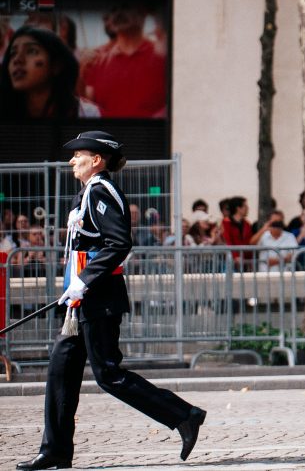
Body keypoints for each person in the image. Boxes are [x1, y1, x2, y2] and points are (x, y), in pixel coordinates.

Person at [16, 131, 205, 471]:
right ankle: (55, 450)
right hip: (81, 302)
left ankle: (184, 415)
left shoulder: (101, 192)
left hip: (99, 298)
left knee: (108, 374)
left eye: (79, 155)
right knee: (61, 369)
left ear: (97, 160)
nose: (72, 160)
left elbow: (118, 243)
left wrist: (84, 282)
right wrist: (72, 285)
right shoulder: (86, 193)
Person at [79, 5, 166, 118]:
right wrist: (79, 73)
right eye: (114, 8)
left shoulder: (163, 57)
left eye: (127, 5)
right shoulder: (96, 62)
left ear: (144, 11)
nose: (119, 12)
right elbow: (88, 104)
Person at [0, 26, 100, 120]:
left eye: (32, 51)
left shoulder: (86, 113)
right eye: (13, 53)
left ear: (56, 65)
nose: (17, 60)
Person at [221, 196, 254, 270]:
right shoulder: (226, 223)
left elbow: (249, 242)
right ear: (238, 208)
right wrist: (235, 256)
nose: (247, 208)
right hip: (232, 261)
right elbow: (227, 241)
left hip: (245, 260)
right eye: (245, 206)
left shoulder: (247, 224)